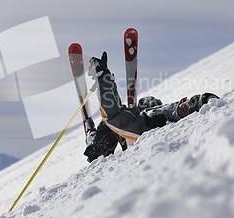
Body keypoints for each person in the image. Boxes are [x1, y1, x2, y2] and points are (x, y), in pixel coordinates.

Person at [83, 51, 219, 162]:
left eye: (192, 107)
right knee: (109, 126)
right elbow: (119, 113)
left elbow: (115, 117)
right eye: (190, 100)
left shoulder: (159, 123)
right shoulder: (169, 111)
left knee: (107, 128)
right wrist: (106, 79)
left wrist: (103, 79)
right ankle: (92, 136)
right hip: (124, 127)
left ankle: (93, 139)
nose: (187, 104)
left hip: (124, 133)